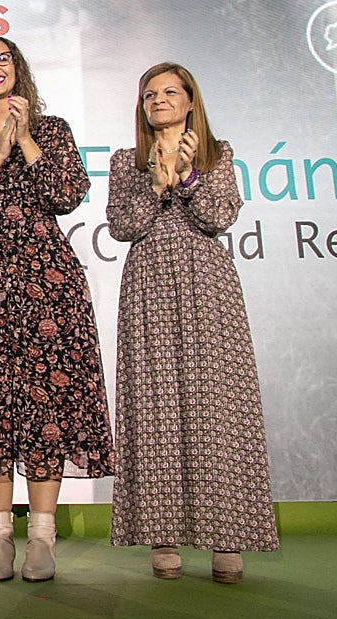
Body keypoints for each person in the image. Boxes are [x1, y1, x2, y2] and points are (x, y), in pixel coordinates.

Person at [0, 36, 115, 582]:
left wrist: (27, 141)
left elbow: (67, 194)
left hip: (47, 282)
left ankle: (42, 538)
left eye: (3, 58)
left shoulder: (54, 130)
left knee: (46, 408)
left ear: (19, 68)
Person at [107, 62, 279, 583]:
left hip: (208, 287)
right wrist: (156, 185)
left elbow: (217, 216)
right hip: (149, 288)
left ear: (189, 102)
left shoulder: (216, 155)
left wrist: (186, 175)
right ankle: (163, 538)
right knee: (155, 405)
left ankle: (228, 537)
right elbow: (123, 225)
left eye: (169, 92)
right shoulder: (124, 162)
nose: (157, 101)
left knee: (217, 407)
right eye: (149, 94)